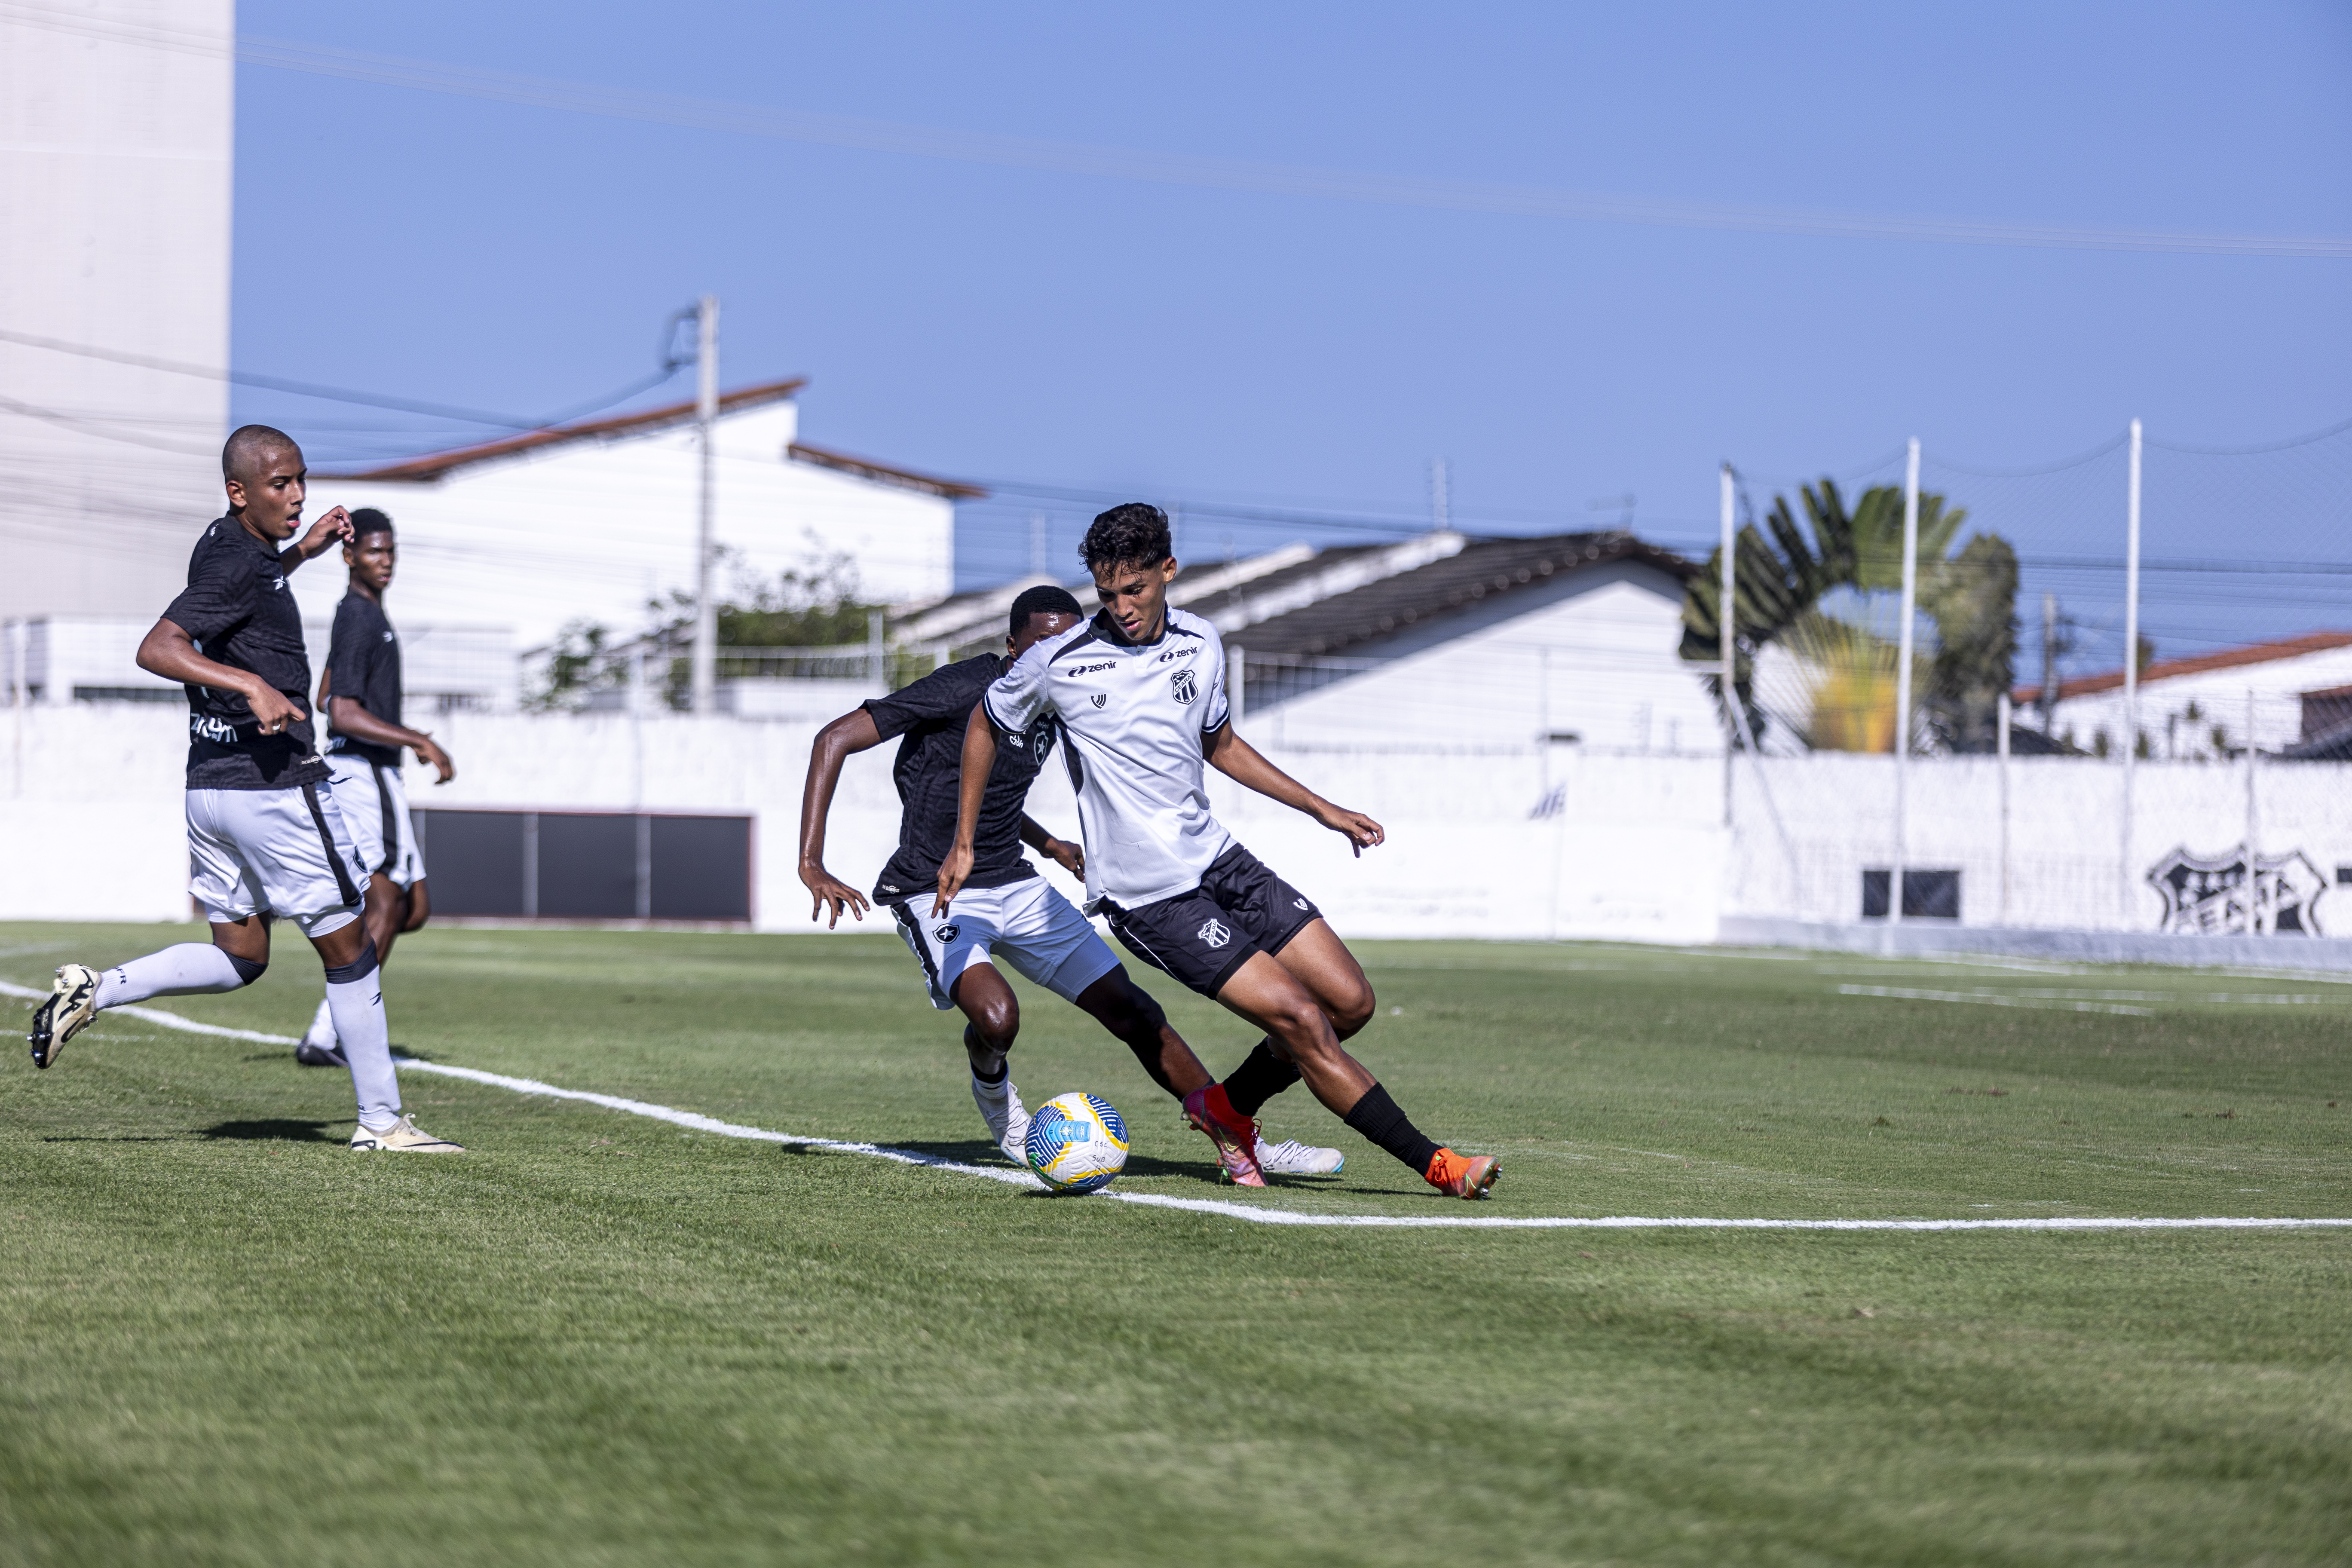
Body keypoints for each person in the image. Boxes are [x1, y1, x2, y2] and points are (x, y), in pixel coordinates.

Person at [939, 504, 1498, 1199]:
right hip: (1151, 896)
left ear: (1167, 571)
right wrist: (963, 844)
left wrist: (1321, 808)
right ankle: (1439, 1166)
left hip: (1220, 861)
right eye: (1107, 595)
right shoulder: (1061, 661)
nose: (1122, 608)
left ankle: (1226, 1108)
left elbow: (1221, 745)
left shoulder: (1203, 642)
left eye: (1135, 590)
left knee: (1351, 1002)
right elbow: (985, 725)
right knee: (1299, 1017)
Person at [798, 584, 1341, 1180]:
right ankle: (997, 1096)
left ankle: (1238, 1138)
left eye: (1068, 640)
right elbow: (835, 738)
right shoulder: (963, 686)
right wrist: (812, 863)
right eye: (1043, 642)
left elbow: (988, 793)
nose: (1059, 653)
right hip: (935, 890)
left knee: (1136, 1012)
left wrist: (1050, 845)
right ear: (1013, 647)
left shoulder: (1064, 695)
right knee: (998, 1019)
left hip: (1019, 886)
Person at [26, 426, 461, 1154]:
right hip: (273, 788)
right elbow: (158, 647)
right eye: (279, 485)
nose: (296, 497)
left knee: (241, 956)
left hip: (209, 789)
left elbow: (243, 593)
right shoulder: (237, 564)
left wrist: (302, 553)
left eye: (300, 481)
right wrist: (251, 683)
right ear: (239, 492)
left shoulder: (230, 548)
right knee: (350, 947)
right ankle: (383, 1123)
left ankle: (95, 989)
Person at [292, 508, 455, 1067]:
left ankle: (333, 1027)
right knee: (387, 901)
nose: (385, 561)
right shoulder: (359, 616)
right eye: (374, 552)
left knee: (412, 909)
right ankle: (329, 1034)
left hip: (375, 771)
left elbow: (323, 697)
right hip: (364, 769)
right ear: (349, 556)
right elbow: (340, 712)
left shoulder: (361, 616)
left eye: (391, 551)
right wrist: (418, 739)